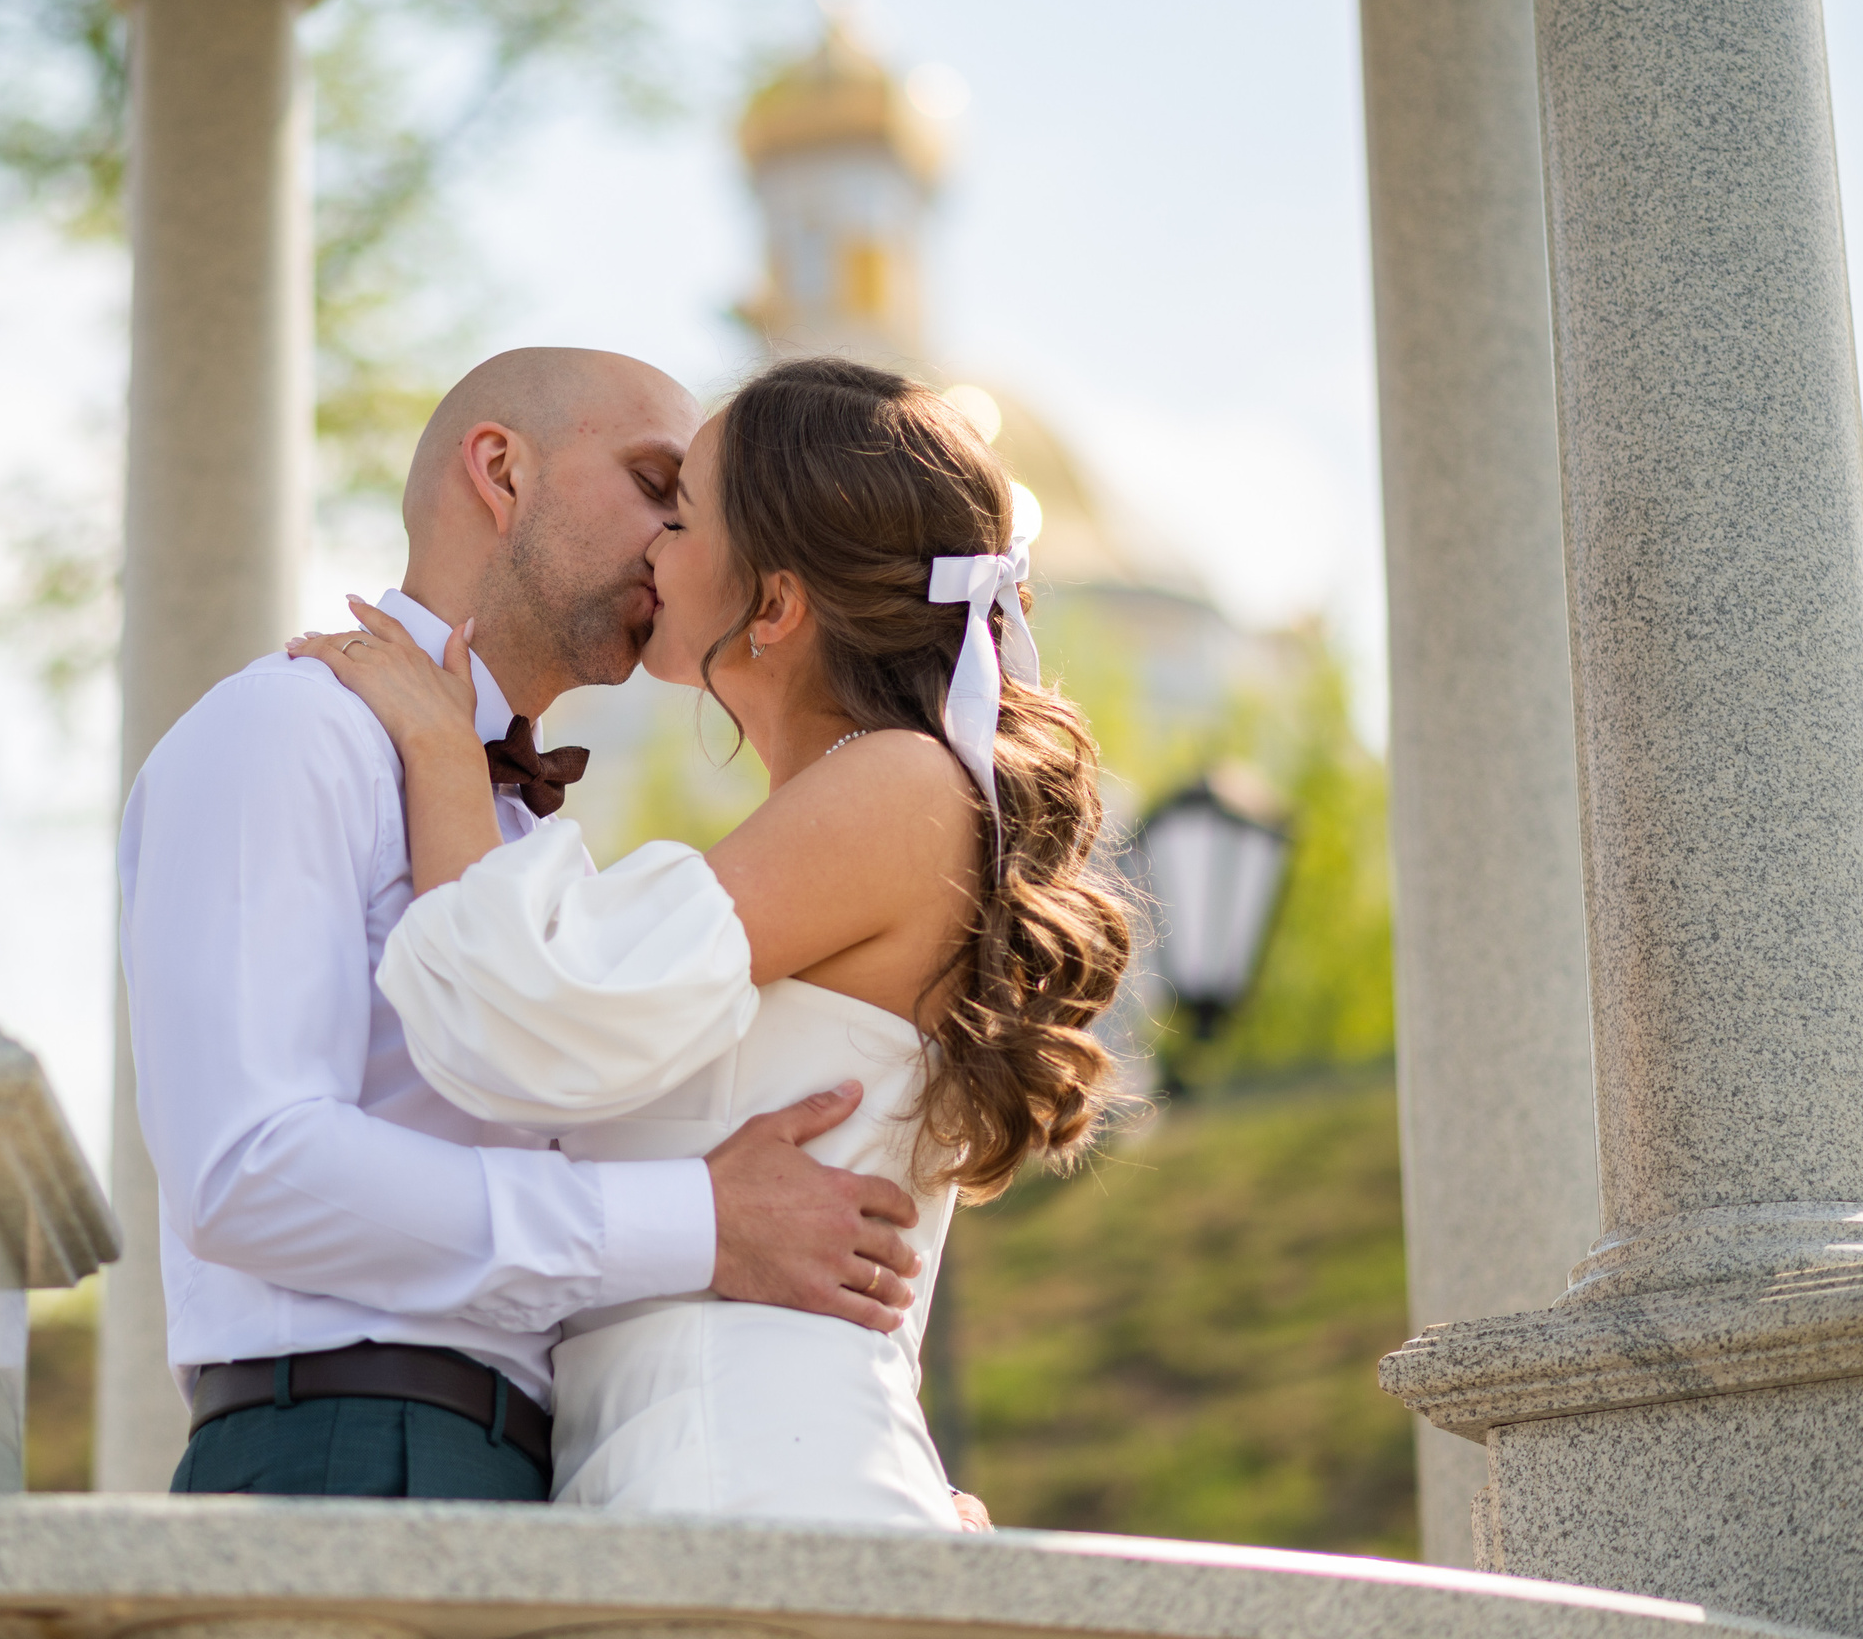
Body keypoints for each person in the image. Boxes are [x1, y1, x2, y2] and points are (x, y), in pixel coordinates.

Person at [289, 355, 1132, 1526]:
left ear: (774, 606)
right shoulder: (850, 803)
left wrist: (440, 753)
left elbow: (531, 1013)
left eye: (680, 514)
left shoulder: (893, 784)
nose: (650, 547)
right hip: (690, 1467)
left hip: (742, 1477)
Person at [120, 347, 933, 1506]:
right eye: (658, 485)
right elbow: (252, 1171)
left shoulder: (522, 831)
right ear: (500, 472)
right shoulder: (293, 728)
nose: (673, 542)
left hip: (553, 1473)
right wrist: (695, 1221)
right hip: (356, 1451)